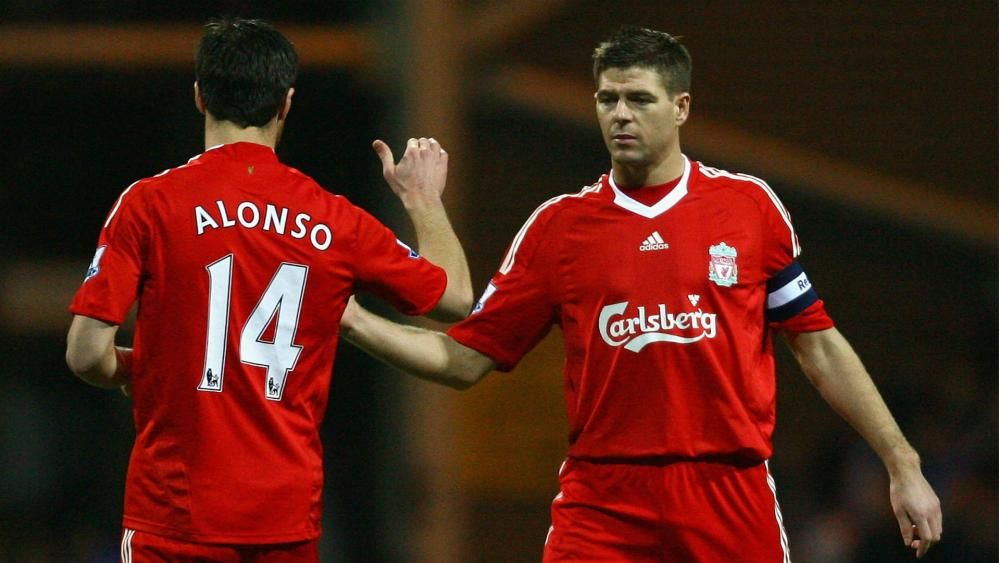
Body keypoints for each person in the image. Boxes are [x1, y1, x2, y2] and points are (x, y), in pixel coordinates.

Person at [340, 26, 943, 561]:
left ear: (681, 107)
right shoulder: (559, 228)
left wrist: (902, 462)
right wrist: (352, 321)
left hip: (727, 494)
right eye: (607, 99)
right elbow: (463, 359)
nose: (619, 115)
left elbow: (819, 347)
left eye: (639, 99)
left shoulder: (748, 209)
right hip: (604, 501)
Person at [65, 17, 472, 562]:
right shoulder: (332, 218)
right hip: (283, 519)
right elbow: (455, 298)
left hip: (173, 517)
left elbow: (86, 353)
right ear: (285, 104)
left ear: (199, 96)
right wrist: (423, 200)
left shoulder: (149, 205)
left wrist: (145, 370)